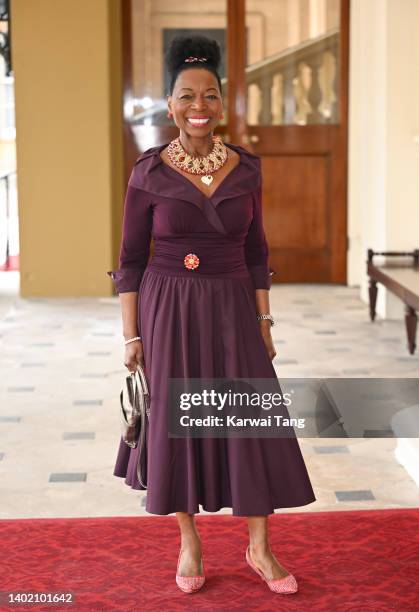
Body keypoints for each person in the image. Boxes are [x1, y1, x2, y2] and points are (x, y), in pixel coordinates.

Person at [107, 34, 315, 595]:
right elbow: (129, 259)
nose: (199, 106)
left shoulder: (246, 170)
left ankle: (260, 547)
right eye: (186, 96)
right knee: (178, 423)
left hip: (230, 304)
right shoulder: (147, 173)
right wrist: (131, 337)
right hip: (168, 307)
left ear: (222, 104)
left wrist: (264, 321)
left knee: (247, 421)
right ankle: (189, 542)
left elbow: (257, 253)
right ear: (170, 105)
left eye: (210, 96)